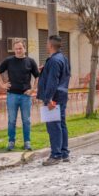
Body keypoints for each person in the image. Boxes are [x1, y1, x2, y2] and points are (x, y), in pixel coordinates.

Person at [0, 40, 40, 151]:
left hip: (26, 96)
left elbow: (38, 76)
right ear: (14, 49)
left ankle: (27, 142)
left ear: (24, 49)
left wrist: (33, 89)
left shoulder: (30, 61)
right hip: (12, 96)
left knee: (26, 120)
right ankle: (11, 142)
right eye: (16, 49)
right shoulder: (9, 61)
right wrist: (2, 84)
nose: (18, 51)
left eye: (20, 48)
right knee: (11, 120)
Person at [37, 35, 70, 166]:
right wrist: (44, 70)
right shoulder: (62, 58)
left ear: (50, 45)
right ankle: (64, 153)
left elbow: (52, 81)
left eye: (46, 43)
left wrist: (48, 98)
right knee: (61, 124)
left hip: (54, 97)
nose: (46, 45)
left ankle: (56, 155)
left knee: (54, 126)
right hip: (61, 94)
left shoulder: (54, 61)